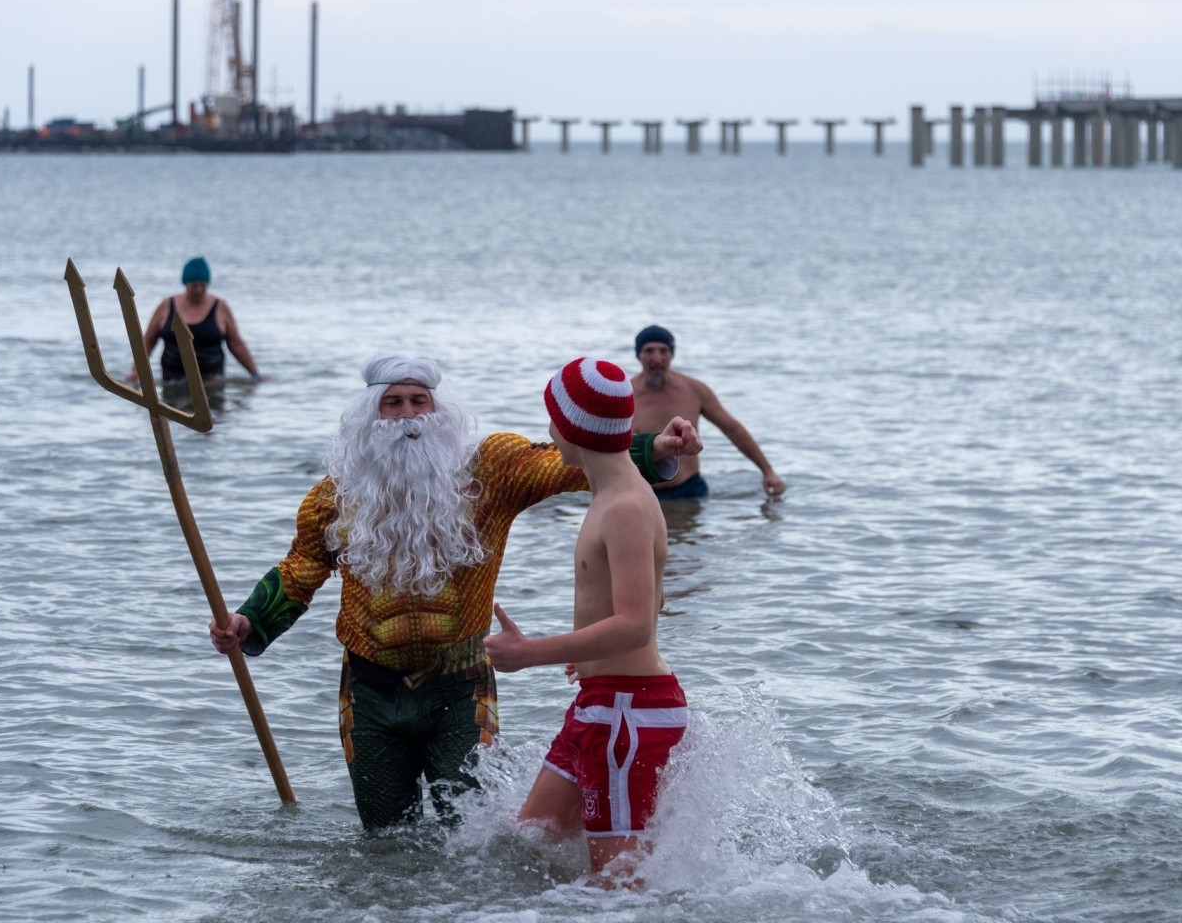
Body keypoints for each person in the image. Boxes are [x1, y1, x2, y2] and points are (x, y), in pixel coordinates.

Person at [208, 353, 700, 831]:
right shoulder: (333, 497)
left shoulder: (490, 469)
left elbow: (571, 461)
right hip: (369, 692)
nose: (407, 416)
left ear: (439, 410)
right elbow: (301, 568)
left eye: (419, 401)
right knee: (384, 840)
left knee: (469, 837)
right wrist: (250, 620)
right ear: (368, 414)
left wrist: (655, 447)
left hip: (461, 684)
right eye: (392, 403)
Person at [484, 357, 687, 886]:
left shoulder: (623, 507)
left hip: (628, 712)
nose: (548, 432)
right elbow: (652, 598)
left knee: (618, 884)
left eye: (552, 419)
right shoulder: (613, 493)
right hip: (603, 701)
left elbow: (638, 625)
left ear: (571, 428)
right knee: (530, 838)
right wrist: (589, 651)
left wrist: (531, 654)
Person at [630, 324, 785, 499]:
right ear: (638, 355)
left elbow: (732, 428)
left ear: (672, 354)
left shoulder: (694, 390)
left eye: (663, 351)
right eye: (649, 351)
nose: (657, 358)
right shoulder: (625, 394)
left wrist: (768, 471)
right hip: (639, 491)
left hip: (688, 489)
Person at [126, 256, 262, 384]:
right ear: (186, 284)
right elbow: (148, 342)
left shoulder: (220, 307)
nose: (198, 290)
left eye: (203, 285)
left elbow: (236, 344)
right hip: (172, 381)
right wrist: (135, 371)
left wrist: (255, 374)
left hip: (212, 383)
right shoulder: (166, 306)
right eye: (194, 285)